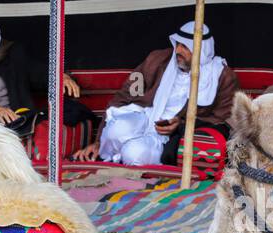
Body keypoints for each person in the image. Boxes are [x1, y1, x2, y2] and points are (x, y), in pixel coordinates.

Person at [73, 22, 240, 166]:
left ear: (202, 50)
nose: (178, 51)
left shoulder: (222, 77)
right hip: (146, 115)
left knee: (134, 153)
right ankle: (107, 154)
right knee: (115, 131)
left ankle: (128, 157)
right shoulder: (157, 60)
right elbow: (125, 94)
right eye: (177, 44)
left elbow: (221, 121)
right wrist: (98, 141)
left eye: (185, 47)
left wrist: (182, 125)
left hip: (171, 136)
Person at [0, 11, 93, 138]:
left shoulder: (11, 52)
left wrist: (59, 78)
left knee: (71, 110)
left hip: (18, 117)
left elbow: (35, 72)